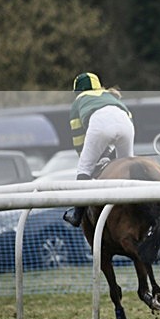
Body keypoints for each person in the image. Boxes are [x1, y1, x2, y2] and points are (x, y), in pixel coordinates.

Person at [63, 72, 135, 227]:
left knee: (84, 168)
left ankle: (77, 214)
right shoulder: (110, 95)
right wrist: (111, 151)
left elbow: (78, 136)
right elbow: (126, 118)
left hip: (99, 123)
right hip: (126, 124)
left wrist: (85, 156)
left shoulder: (79, 100)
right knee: (128, 168)